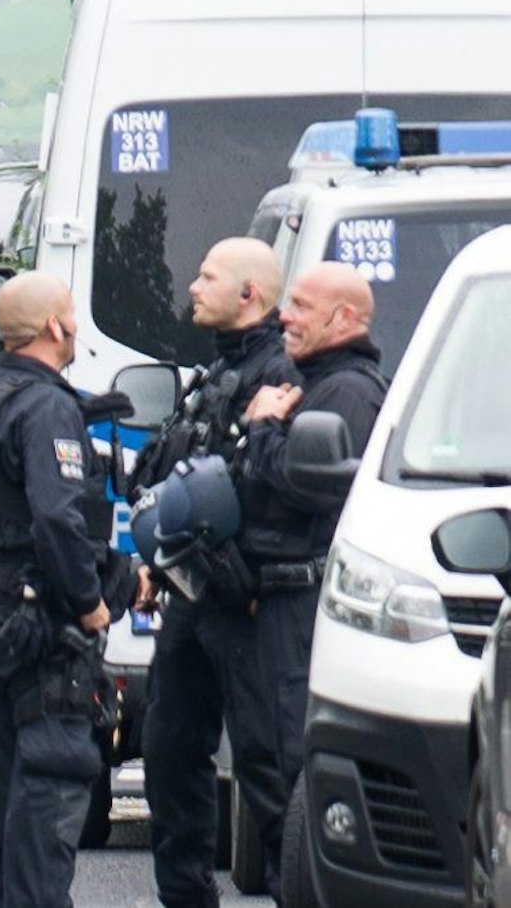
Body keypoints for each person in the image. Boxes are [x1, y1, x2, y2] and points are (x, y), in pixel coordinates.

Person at [0, 271, 120, 908]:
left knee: (8, 785)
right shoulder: (45, 405)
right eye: (71, 314)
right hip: (36, 617)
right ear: (55, 326)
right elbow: (55, 516)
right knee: (49, 778)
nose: (73, 325)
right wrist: (90, 602)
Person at [137, 238, 296, 906]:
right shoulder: (214, 375)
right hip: (191, 594)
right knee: (169, 754)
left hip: (245, 602)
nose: (192, 286)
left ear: (247, 294)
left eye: (207, 277)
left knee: (263, 764)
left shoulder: (282, 377)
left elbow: (271, 491)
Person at [241, 261, 387, 791]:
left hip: (306, 599)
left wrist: (261, 429)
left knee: (290, 762)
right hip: (279, 597)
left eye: (302, 306)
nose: (284, 317)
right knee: (265, 756)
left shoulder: (348, 393)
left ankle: (295, 878)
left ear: (344, 318)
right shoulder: (308, 384)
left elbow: (309, 486)